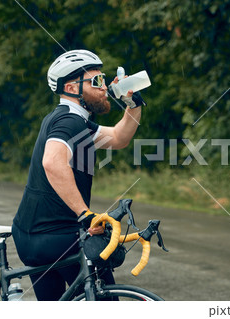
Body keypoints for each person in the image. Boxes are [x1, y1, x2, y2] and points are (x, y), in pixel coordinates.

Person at [12, 49, 145, 301]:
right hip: (57, 236)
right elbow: (52, 162)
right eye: (96, 81)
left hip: (32, 235)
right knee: (104, 300)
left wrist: (133, 104)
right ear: (72, 88)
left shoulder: (74, 121)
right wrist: (85, 214)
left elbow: (119, 138)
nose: (104, 87)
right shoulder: (69, 122)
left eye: (103, 79)